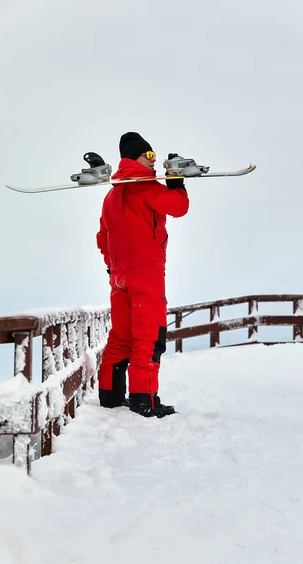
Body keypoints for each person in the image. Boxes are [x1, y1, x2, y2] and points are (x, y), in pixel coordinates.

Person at [96, 132, 189, 418]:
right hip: (146, 273)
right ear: (134, 158)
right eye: (148, 156)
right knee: (149, 338)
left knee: (121, 337)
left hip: (120, 275)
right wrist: (177, 183)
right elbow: (179, 208)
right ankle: (144, 400)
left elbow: (102, 237)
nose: (153, 162)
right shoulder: (145, 186)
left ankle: (110, 396)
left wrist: (113, 266)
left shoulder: (112, 195)